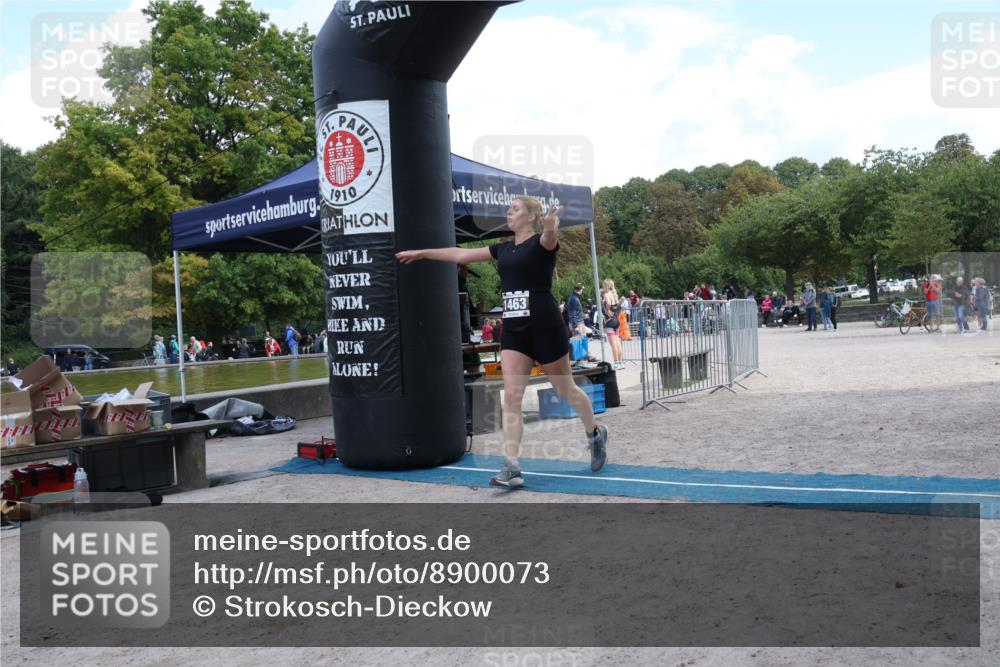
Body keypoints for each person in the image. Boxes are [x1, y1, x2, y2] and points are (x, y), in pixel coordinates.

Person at [396, 196, 608, 488]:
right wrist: (423, 253)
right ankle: (512, 466)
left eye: (515, 208)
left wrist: (550, 225)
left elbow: (549, 237)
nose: (509, 212)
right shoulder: (503, 249)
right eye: (508, 208)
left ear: (531, 216)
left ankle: (595, 433)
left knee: (566, 389)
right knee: (511, 397)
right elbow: (460, 255)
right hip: (515, 331)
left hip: (545, 327)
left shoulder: (541, 244)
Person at [602, 278, 625, 369]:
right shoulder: (613, 294)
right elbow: (618, 307)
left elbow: (608, 303)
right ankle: (621, 362)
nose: (602, 287)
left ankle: (616, 363)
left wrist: (607, 309)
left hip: (610, 321)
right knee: (617, 342)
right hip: (616, 321)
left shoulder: (606, 294)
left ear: (606, 286)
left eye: (603, 285)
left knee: (613, 344)